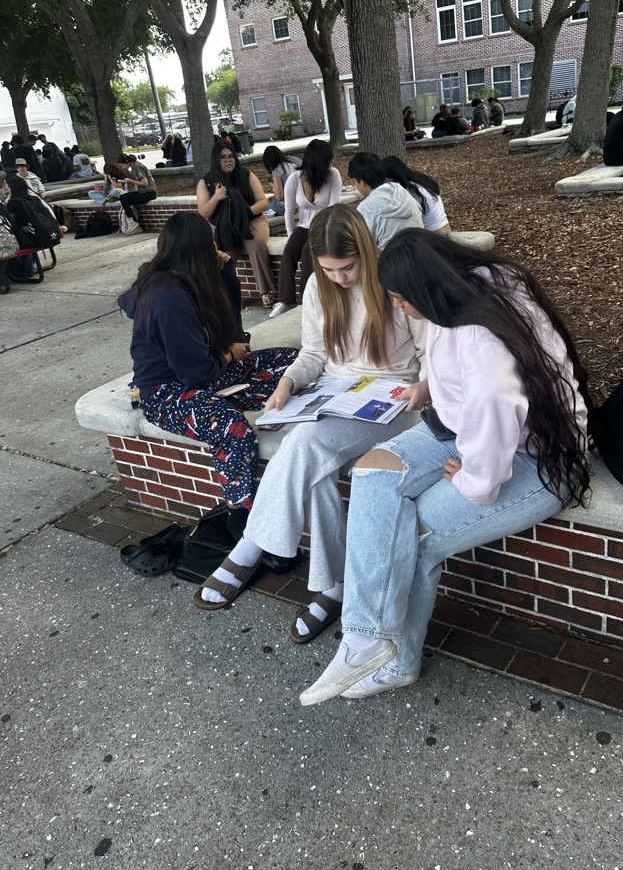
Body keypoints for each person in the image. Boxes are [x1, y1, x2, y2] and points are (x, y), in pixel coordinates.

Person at [298, 229, 591, 704]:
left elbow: (495, 397)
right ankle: (370, 637)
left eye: (399, 298)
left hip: (539, 459)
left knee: (409, 535)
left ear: (427, 288)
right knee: (373, 468)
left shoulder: (477, 336)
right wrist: (430, 384)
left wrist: (476, 478)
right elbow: (464, 373)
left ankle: (390, 655)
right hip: (465, 432)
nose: (396, 307)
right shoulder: (474, 286)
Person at [195, 203, 428, 624]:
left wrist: (425, 385)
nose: (339, 277)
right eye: (329, 269)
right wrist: (286, 384)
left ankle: (250, 547)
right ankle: (333, 587)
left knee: (303, 442)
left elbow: (430, 351)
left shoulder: (395, 282)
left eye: (347, 268)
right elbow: (315, 354)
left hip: (391, 400)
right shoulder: (320, 289)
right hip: (335, 393)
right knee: (317, 472)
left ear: (364, 250)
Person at [117, 212, 297, 559]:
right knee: (232, 429)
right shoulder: (167, 298)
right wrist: (230, 356)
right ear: (200, 248)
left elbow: (229, 323)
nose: (217, 246)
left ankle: (235, 397)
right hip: (167, 393)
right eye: (211, 241)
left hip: (206, 374)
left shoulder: (186, 278)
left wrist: (226, 271)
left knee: (291, 361)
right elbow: (197, 373)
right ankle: (241, 516)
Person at [197, 140, 275, 307]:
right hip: (223, 226)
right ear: (215, 160)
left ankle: (265, 292)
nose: (228, 160)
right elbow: (204, 212)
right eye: (223, 157)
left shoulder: (246, 175)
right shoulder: (206, 182)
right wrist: (216, 197)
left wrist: (246, 211)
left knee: (256, 246)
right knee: (224, 254)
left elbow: (263, 202)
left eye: (231, 156)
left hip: (251, 220)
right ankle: (225, 294)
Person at [269, 139, 341, 318]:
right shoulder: (294, 179)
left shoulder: (333, 175)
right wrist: (291, 234)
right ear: (319, 161)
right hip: (303, 225)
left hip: (324, 224)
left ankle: (305, 302)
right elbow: (288, 210)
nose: (331, 164)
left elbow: (333, 209)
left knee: (308, 252)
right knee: (289, 253)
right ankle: (285, 301)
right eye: (328, 160)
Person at [347, 152, 422, 249]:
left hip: (391, 260)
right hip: (421, 250)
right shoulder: (401, 191)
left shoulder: (366, 208)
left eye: (354, 181)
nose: (355, 186)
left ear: (362, 182)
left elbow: (364, 245)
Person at [381, 155, 451, 233]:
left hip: (434, 235)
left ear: (393, 177)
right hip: (445, 228)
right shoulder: (420, 181)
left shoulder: (412, 192)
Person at [117, 153, 157, 231]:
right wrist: (134, 192)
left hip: (149, 192)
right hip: (142, 191)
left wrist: (130, 180)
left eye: (122, 165)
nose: (122, 168)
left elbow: (145, 183)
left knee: (125, 200)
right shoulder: (133, 167)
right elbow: (137, 181)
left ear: (127, 162)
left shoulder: (137, 167)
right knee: (123, 197)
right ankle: (131, 220)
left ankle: (131, 221)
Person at [262, 145, 302, 216]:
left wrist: (274, 187)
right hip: (301, 203)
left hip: (286, 207)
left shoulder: (277, 170)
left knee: (263, 206)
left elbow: (279, 197)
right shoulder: (293, 164)